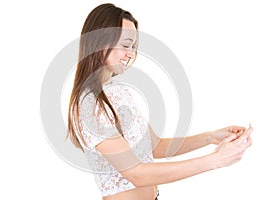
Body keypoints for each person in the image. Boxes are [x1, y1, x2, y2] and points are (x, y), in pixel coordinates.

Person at [66, 3, 253, 200]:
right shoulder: (88, 105)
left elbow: (156, 147)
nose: (130, 54)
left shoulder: (118, 92)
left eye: (132, 47)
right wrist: (215, 160)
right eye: (125, 45)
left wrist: (210, 137)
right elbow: (136, 173)